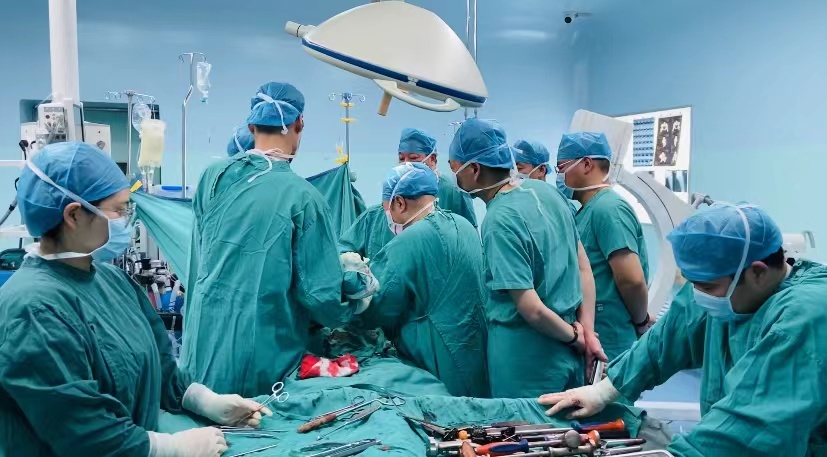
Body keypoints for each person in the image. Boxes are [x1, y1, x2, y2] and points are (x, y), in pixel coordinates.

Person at [0, 142, 272, 457]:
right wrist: (168, 448)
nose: (127, 220)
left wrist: (204, 401)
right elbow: (82, 431)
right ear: (73, 215)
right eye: (118, 210)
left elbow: (161, 367)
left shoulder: (112, 281)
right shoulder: (32, 310)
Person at [539, 203, 827, 456]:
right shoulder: (722, 286)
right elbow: (665, 340)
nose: (698, 294)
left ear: (758, 272)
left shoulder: (806, 316)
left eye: (706, 287)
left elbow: (752, 427)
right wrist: (604, 391)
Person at [181, 82, 374, 397]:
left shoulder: (212, 177)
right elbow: (320, 297)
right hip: (260, 361)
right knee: (248, 419)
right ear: (300, 123)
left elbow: (201, 259)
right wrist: (356, 297)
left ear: (251, 126)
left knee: (204, 419)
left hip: (201, 349)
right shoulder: (304, 198)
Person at [448, 118, 601, 398]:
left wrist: (575, 337)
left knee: (527, 425)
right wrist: (587, 332)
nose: (453, 177)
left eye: (454, 168)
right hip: (569, 356)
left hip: (528, 361)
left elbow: (532, 309)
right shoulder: (547, 193)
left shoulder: (499, 220)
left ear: (474, 169)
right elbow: (583, 267)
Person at [356, 162, 489, 397]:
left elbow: (378, 307)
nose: (387, 217)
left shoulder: (408, 242)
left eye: (387, 209)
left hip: (437, 361)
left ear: (399, 202)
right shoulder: (464, 225)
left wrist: (353, 289)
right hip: (476, 354)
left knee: (444, 414)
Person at [556, 132, 651, 361]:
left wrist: (641, 322)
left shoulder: (609, 209)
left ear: (587, 164)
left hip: (611, 339)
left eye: (562, 167)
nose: (558, 175)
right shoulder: (587, 211)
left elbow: (632, 280)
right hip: (596, 335)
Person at [338, 128, 477, 260]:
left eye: (413, 158)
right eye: (401, 158)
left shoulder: (453, 191)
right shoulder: (376, 215)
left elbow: (470, 243)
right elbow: (344, 247)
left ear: (433, 159)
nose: (406, 164)